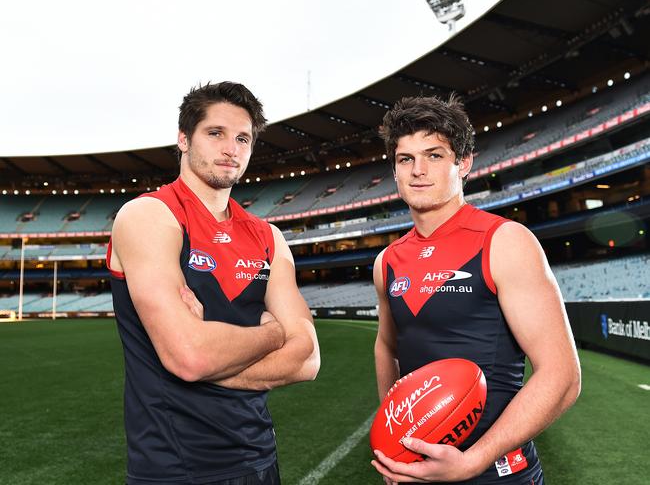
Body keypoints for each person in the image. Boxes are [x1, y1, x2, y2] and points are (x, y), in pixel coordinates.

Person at [107, 81, 320, 484]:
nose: (231, 149)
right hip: (175, 467)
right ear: (184, 139)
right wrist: (275, 334)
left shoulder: (268, 236)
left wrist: (207, 354)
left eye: (243, 138)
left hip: (260, 459)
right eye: (215, 133)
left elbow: (308, 359)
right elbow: (190, 357)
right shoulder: (149, 216)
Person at [371, 95, 581, 484]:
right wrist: (395, 434)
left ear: (463, 163)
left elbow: (562, 375)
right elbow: (386, 345)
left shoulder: (505, 241)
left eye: (434, 156)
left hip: (498, 473)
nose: (418, 170)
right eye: (405, 159)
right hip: (418, 473)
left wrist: (475, 459)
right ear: (395, 171)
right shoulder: (388, 261)